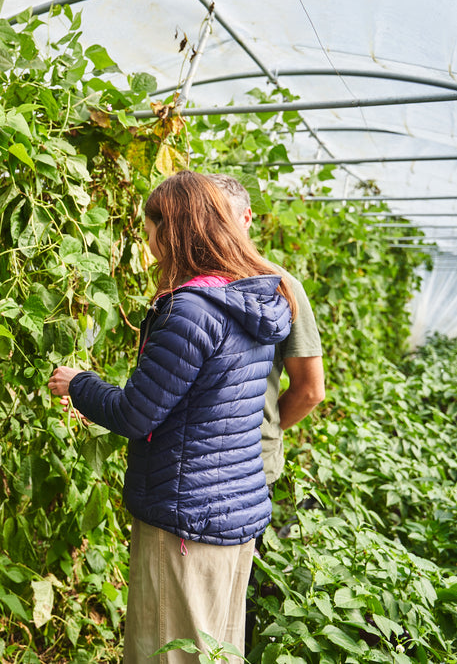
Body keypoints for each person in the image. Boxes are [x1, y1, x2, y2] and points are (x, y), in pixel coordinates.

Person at [48, 170, 294, 664]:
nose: (150, 244)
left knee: (168, 652)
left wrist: (77, 383)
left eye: (152, 231)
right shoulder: (255, 299)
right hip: (233, 513)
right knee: (218, 651)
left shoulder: (192, 310)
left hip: (186, 521)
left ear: (176, 229)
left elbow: (136, 413)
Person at [205, 173, 325, 650]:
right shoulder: (195, 282)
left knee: (238, 589)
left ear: (247, 218)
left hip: (250, 465)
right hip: (196, 465)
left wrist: (258, 427)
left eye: (224, 217)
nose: (215, 230)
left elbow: (310, 390)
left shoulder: (281, 286)